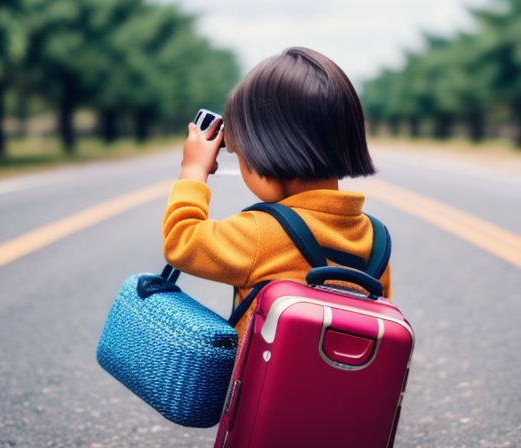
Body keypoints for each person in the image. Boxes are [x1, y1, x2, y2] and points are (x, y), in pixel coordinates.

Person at [162, 47, 391, 339]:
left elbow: (180, 241)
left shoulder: (260, 233)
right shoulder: (376, 239)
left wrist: (193, 170)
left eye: (239, 153)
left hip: (268, 385)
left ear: (266, 158)